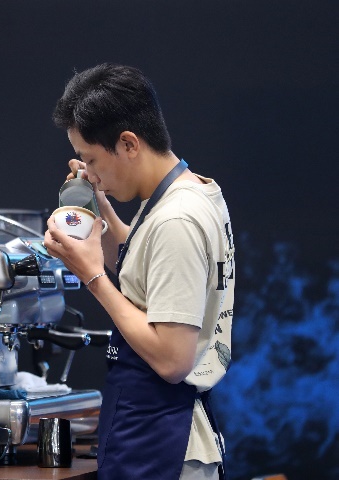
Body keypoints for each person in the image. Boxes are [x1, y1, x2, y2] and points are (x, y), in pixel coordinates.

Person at [43, 63, 235, 480]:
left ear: (128, 143)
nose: (89, 172)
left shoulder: (176, 220)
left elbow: (171, 359)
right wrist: (99, 205)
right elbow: (146, 261)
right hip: (158, 429)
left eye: (92, 159)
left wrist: (93, 277)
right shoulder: (187, 193)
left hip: (168, 444)